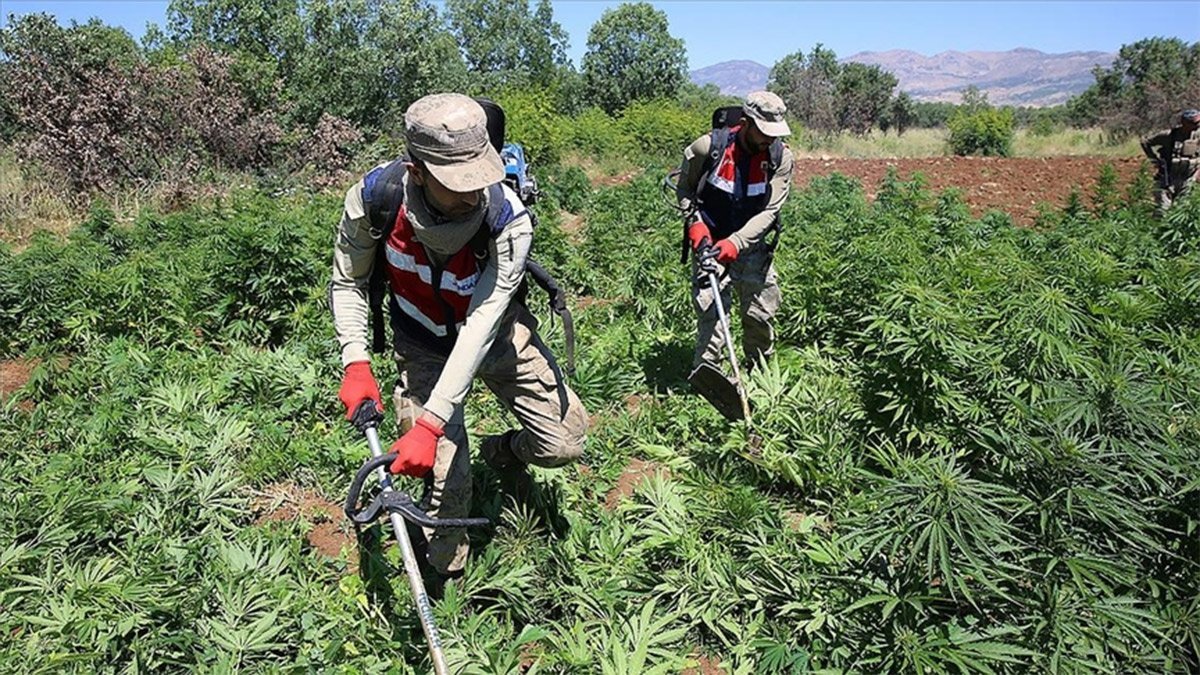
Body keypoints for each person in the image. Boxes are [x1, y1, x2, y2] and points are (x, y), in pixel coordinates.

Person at [330, 93, 588, 585]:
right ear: (418, 171)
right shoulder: (373, 201)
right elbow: (348, 282)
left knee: (565, 442)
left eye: (479, 176)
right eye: (457, 183)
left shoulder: (506, 217)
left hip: (494, 336)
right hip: (421, 341)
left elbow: (483, 321)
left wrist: (429, 424)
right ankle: (444, 577)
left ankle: (503, 452)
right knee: (446, 477)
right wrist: (356, 361)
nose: (473, 194)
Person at [674, 90, 794, 416]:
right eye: (763, 133)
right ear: (745, 123)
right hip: (710, 244)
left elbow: (770, 211)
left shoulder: (780, 158)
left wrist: (737, 243)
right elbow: (685, 190)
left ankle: (761, 383)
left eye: (775, 134)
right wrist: (695, 225)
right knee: (712, 317)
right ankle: (709, 388)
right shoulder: (708, 148)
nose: (769, 140)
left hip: (751, 246)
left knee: (759, 315)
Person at [1141, 108, 1200, 215]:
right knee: (1163, 211)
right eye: (1193, 123)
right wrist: (1154, 160)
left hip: (1188, 179)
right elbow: (1146, 142)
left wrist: (1197, 173)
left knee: (1183, 212)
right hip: (1167, 179)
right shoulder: (1168, 135)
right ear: (1184, 122)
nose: (1197, 125)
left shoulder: (1198, 135)